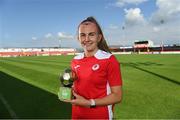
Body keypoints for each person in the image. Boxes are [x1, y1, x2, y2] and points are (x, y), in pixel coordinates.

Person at [65, 16, 123, 119]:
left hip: (100, 116)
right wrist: (67, 91)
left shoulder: (109, 60)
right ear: (78, 38)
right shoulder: (75, 60)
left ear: (99, 37)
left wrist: (89, 103)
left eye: (91, 34)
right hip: (77, 115)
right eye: (82, 35)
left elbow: (117, 96)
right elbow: (78, 87)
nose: (86, 39)